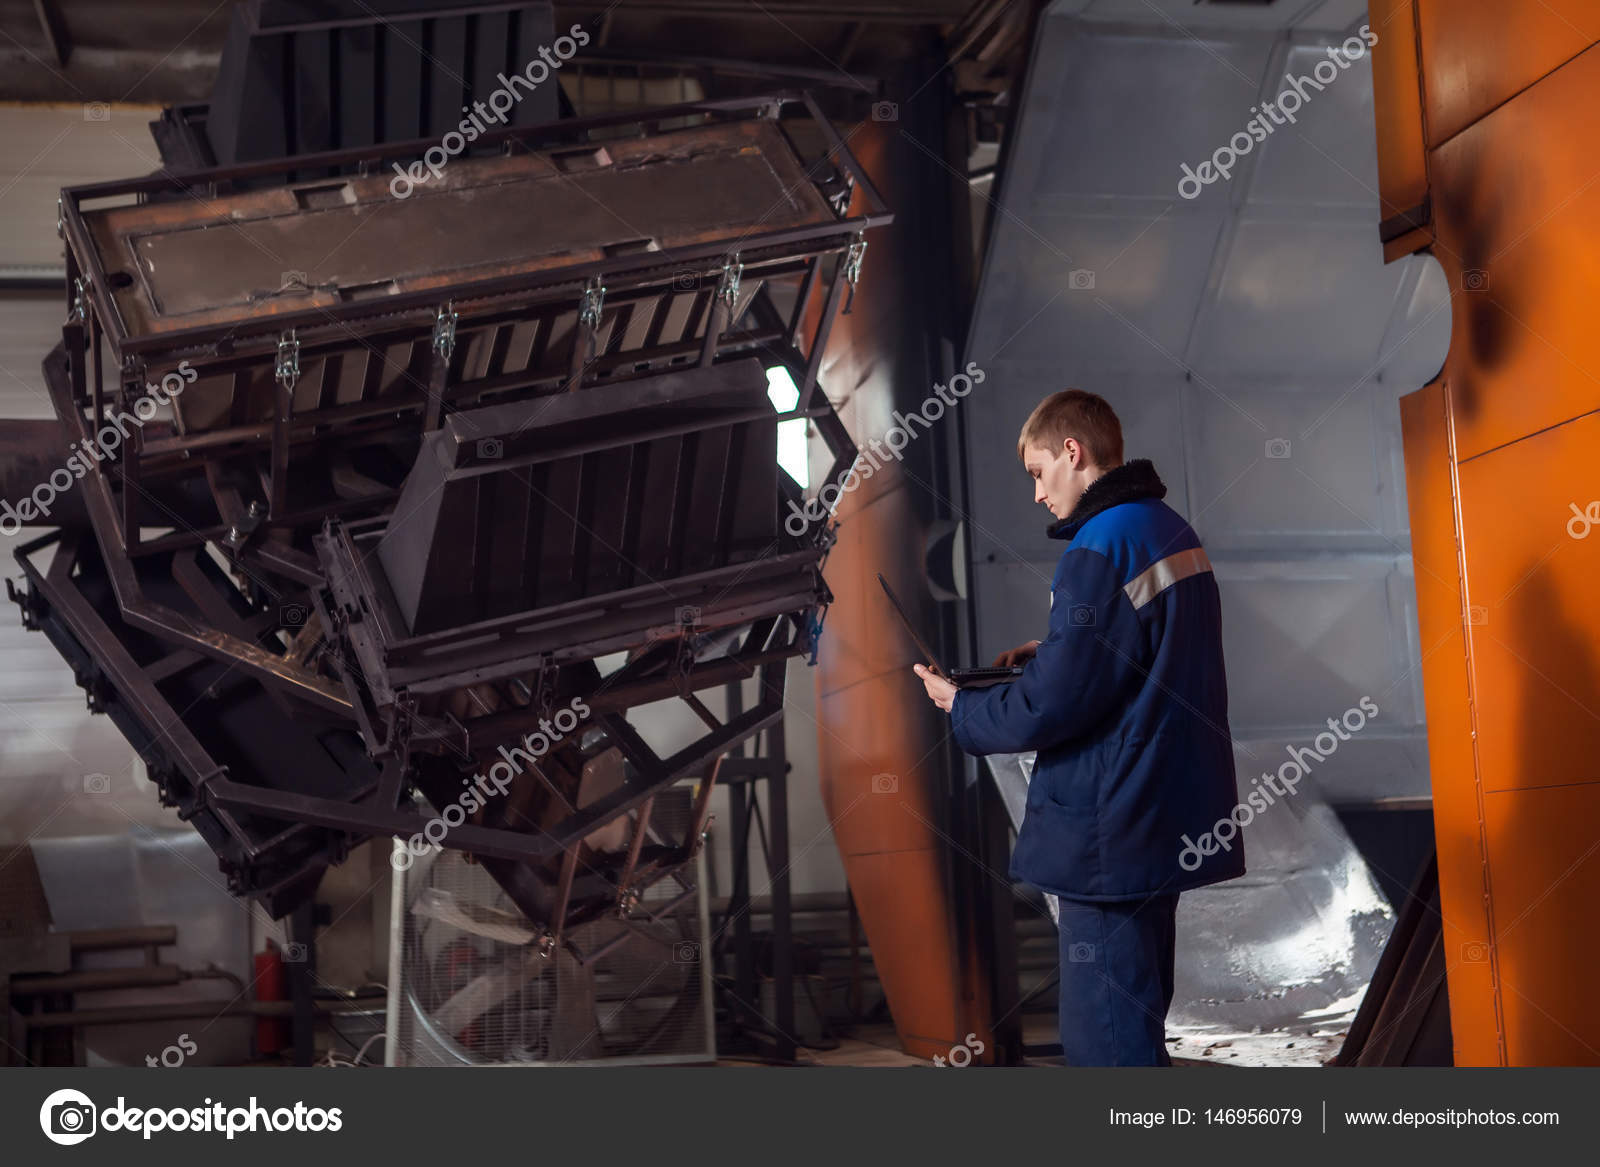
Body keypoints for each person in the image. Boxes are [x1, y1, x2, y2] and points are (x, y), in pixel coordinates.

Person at [913, 388, 1244, 1066]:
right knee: (1138, 1023)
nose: (1037, 494)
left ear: (1073, 451)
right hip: (1160, 817)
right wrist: (1056, 647)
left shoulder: (1099, 544)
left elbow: (1058, 703)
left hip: (1108, 831)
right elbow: (1150, 654)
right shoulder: (1168, 529)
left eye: (1038, 472)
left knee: (1106, 1042)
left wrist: (962, 705)